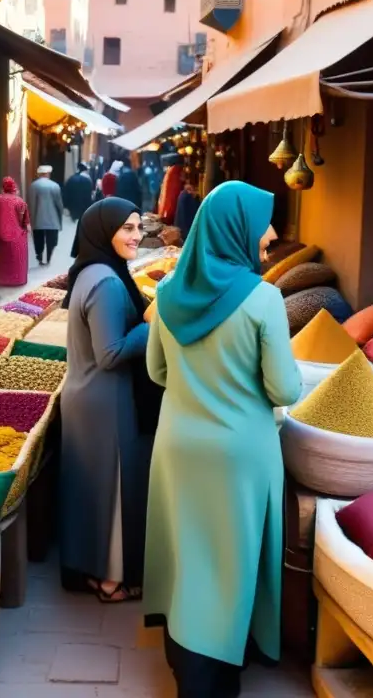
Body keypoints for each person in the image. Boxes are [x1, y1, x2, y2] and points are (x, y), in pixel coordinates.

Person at [143, 181, 302, 697]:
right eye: (263, 225)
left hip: (178, 445)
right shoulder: (264, 299)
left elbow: (156, 371)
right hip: (240, 452)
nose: (271, 235)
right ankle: (219, 667)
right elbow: (284, 387)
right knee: (231, 559)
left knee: (188, 551)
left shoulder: (167, 293)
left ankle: (183, 656)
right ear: (236, 229)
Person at [59, 197, 152, 604]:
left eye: (138, 227)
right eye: (127, 228)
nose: (137, 236)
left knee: (92, 489)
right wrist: (153, 323)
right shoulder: (108, 282)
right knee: (113, 488)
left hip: (88, 395)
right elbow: (111, 352)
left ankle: (95, 571)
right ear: (102, 231)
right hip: (105, 399)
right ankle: (112, 582)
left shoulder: (91, 271)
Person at [0, 177, 31, 287]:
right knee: (17, 261)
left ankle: (2, 281)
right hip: (18, 240)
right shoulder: (20, 201)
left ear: (2, 188)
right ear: (14, 188)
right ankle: (18, 280)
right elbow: (27, 224)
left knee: (3, 261)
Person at [27, 165, 64, 266]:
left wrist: (30, 219)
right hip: (52, 220)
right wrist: (60, 215)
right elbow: (59, 204)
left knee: (38, 240)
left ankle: (39, 256)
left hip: (37, 219)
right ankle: (48, 258)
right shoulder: (55, 186)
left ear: (39, 174)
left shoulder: (33, 186)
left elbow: (30, 203)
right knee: (51, 240)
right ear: (48, 174)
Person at [157, 157, 183, 225]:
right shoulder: (174, 172)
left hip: (169, 214)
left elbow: (168, 196)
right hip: (172, 213)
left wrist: (164, 214)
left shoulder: (172, 173)